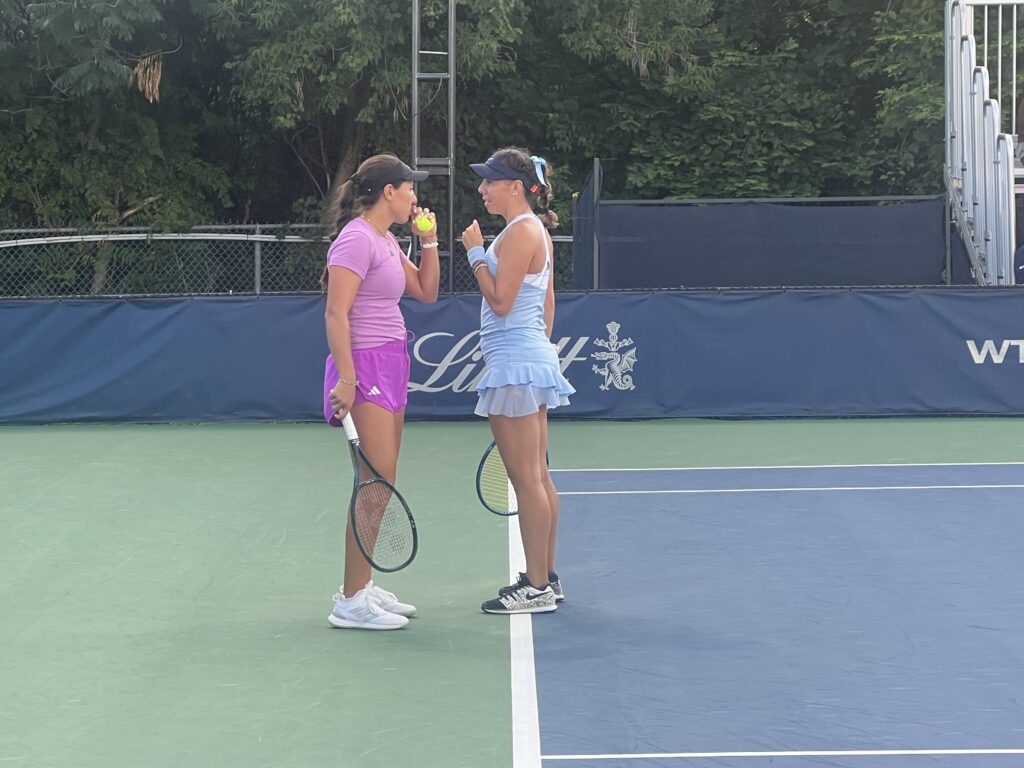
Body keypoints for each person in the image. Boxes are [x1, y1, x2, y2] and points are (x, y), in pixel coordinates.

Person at [322, 153, 439, 630]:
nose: (415, 196)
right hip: (364, 366)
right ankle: (350, 600)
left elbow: (426, 292)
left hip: (391, 362)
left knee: (377, 482)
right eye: (410, 187)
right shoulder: (354, 239)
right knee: (375, 482)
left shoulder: (387, 240)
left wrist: (428, 241)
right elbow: (335, 313)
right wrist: (347, 378)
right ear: (389, 192)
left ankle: (362, 586)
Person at [462, 147, 575, 615]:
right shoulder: (535, 232)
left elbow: (501, 301)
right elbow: (545, 308)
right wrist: (538, 354)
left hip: (516, 364)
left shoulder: (519, 233)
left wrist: (473, 254)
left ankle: (537, 587)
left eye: (490, 181)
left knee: (526, 479)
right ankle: (544, 577)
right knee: (538, 477)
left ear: (514, 186)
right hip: (529, 360)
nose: (483, 189)